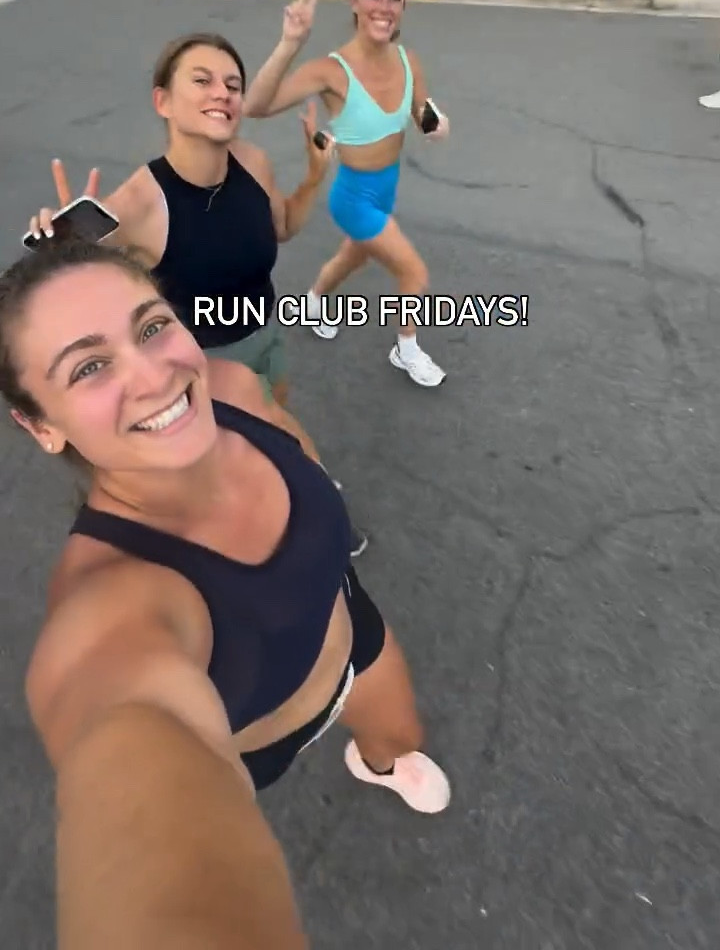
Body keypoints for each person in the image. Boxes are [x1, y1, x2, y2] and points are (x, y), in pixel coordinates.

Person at [1, 240, 451, 942]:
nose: (154, 375)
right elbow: (130, 762)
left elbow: (305, 461)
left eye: (151, 326)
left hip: (352, 631)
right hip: (263, 741)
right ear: (41, 426)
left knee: (403, 736)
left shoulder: (234, 389)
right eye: (90, 366)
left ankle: (378, 763)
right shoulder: (109, 612)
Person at [26, 31, 367, 557]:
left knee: (273, 430)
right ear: (163, 100)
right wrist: (59, 243)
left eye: (233, 84)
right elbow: (75, 286)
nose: (223, 93)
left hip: (265, 334)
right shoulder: (139, 202)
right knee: (261, 453)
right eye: (203, 80)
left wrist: (315, 177)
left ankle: (295, 510)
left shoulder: (253, 163)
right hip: (200, 367)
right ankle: (306, 522)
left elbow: (285, 226)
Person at [242, 0, 450, 388]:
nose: (384, 6)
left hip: (386, 189)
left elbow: (421, 111)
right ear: (354, 2)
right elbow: (255, 106)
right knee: (413, 274)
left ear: (404, 8)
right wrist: (290, 42)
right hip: (353, 198)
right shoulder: (331, 72)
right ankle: (405, 348)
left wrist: (436, 122)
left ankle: (315, 301)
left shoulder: (409, 61)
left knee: (353, 256)